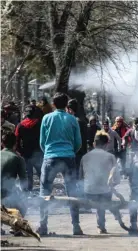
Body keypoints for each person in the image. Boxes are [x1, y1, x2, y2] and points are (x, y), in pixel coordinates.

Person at [37, 92, 83, 236]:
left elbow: (42, 142)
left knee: (44, 192)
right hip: (68, 157)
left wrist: (48, 153)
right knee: (72, 191)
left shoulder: (46, 118)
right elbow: (78, 143)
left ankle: (43, 225)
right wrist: (70, 152)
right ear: (66, 104)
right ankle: (76, 226)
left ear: (53, 104)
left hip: (50, 157)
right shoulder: (72, 119)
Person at [80, 132, 121, 234]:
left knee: (99, 196)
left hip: (88, 192)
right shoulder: (110, 156)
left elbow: (80, 177)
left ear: (94, 144)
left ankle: (100, 225)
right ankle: (102, 225)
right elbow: (117, 178)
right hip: (104, 192)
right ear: (106, 144)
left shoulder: (85, 157)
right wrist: (112, 185)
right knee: (104, 196)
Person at [1, 132, 28, 225]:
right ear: (15, 144)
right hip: (5, 194)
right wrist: (26, 194)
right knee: (22, 207)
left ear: (2, 143)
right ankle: (16, 228)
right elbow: (23, 181)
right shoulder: (18, 158)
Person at [15, 105, 43, 191]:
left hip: (25, 154)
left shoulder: (20, 125)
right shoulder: (40, 123)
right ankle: (45, 193)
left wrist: (20, 151)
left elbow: (16, 140)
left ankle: (28, 194)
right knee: (42, 174)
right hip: (38, 153)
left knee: (28, 175)